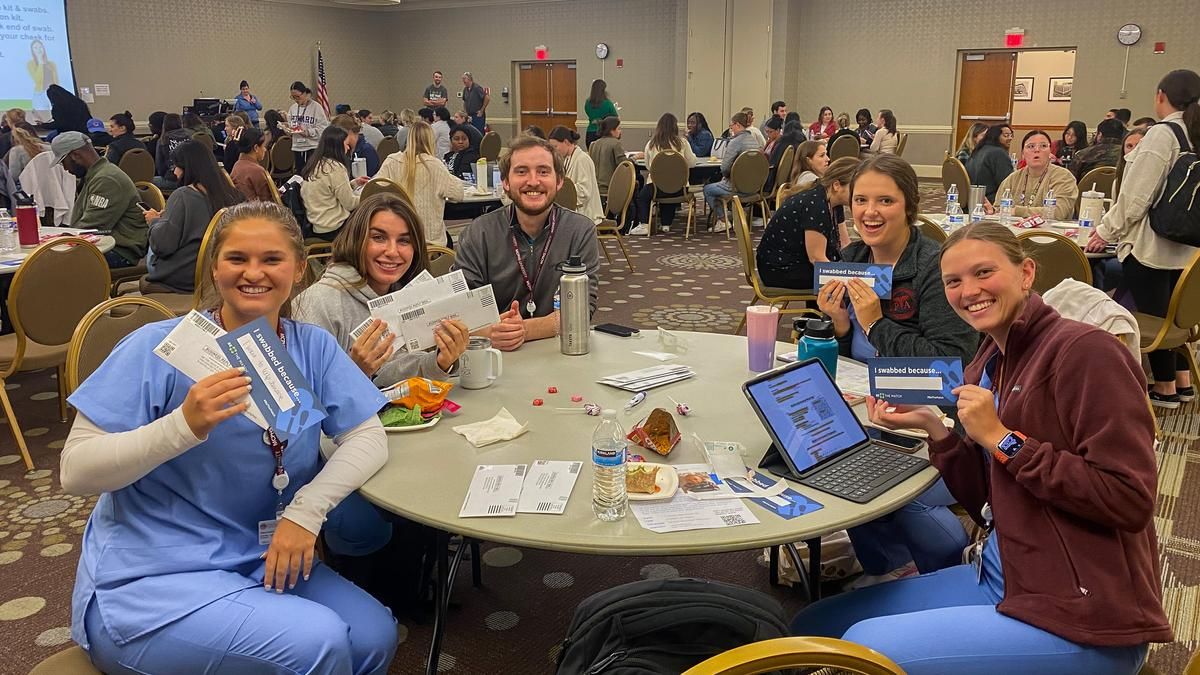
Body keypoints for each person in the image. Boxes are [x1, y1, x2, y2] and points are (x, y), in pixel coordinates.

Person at [795, 219, 1172, 674]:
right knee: (812, 627)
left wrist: (1002, 439)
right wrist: (936, 430)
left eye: (983, 273)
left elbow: (1129, 500)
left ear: (1026, 273)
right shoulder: (988, 361)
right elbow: (986, 504)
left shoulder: (1085, 352)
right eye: (953, 281)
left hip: (1084, 614)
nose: (968, 290)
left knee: (860, 648)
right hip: (1006, 571)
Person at [63, 200, 398, 674]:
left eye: (272, 259)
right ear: (216, 268)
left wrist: (306, 512)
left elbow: (368, 437)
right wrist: (183, 426)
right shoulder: (159, 347)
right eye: (237, 259)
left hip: (263, 557)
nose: (253, 273)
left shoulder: (311, 346)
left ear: (299, 269)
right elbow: (75, 472)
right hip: (154, 580)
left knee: (372, 637)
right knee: (317, 644)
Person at [1089, 69, 1200, 408]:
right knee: (1175, 315)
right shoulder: (1194, 133)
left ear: (1160, 96)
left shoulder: (1163, 134)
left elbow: (1136, 197)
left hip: (1152, 246)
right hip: (1188, 246)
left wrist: (1104, 232)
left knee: (1154, 316)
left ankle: (1164, 388)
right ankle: (1183, 382)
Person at [817, 153, 979, 363]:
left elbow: (950, 362)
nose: (870, 211)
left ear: (909, 206)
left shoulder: (938, 267)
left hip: (915, 395)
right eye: (860, 200)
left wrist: (876, 325)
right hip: (859, 390)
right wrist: (841, 326)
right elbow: (843, 364)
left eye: (885, 201)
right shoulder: (851, 259)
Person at [453, 136, 601, 351]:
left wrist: (525, 329)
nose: (533, 181)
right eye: (521, 171)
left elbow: (582, 310)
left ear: (559, 181)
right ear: (505, 182)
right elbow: (461, 309)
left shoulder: (580, 231)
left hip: (561, 349)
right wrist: (492, 332)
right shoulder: (479, 232)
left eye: (543, 171)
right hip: (495, 353)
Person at [143, 141, 246, 293]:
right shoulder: (234, 195)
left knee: (154, 242)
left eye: (176, 167)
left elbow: (163, 246)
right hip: (223, 273)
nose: (175, 173)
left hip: (185, 276)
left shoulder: (183, 195)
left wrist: (154, 222)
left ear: (187, 168)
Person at [756, 156, 857, 290]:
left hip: (797, 262)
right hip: (780, 269)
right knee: (852, 284)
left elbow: (845, 244)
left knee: (857, 278)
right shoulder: (815, 204)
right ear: (837, 185)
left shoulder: (832, 201)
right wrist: (852, 278)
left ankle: (818, 310)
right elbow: (816, 258)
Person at [52, 132, 147, 268]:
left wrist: (62, 238)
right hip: (109, 244)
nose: (65, 169)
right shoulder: (97, 174)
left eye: (63, 162)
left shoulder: (106, 180)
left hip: (120, 251)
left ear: (76, 155)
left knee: (48, 263)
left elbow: (90, 229)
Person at [374, 120, 464, 248]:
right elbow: (458, 194)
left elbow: (373, 188)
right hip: (430, 241)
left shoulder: (391, 161)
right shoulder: (435, 165)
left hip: (399, 237)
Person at [631, 113, 697, 235]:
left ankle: (644, 224)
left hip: (657, 187)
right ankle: (666, 224)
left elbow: (649, 166)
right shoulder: (682, 143)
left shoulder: (651, 144)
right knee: (671, 191)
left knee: (643, 196)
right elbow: (692, 163)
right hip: (680, 187)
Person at [992, 130, 1078, 221]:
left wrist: (1017, 211)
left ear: (1050, 153)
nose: (1037, 150)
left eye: (1043, 146)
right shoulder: (1012, 179)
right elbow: (998, 210)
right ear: (1023, 154)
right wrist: (991, 211)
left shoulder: (1064, 177)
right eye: (1031, 146)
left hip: (1050, 233)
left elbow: (1058, 212)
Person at [300, 126, 368, 240]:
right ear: (337, 146)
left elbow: (327, 191)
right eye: (346, 144)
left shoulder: (315, 164)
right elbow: (350, 203)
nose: (347, 148)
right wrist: (369, 195)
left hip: (317, 225)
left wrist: (354, 183)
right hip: (334, 227)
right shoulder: (335, 168)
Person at [703, 111, 763, 233]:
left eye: (731, 126)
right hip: (753, 187)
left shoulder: (735, 142)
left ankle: (723, 220)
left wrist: (726, 177)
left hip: (736, 187)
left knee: (707, 189)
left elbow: (724, 168)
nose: (731, 130)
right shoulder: (754, 141)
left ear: (737, 125)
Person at [545, 125, 603, 224]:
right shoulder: (567, 158)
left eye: (555, 146)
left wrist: (561, 192)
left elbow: (584, 191)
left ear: (566, 142)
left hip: (585, 211)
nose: (554, 151)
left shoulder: (582, 159)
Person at [965, 124, 1014, 203]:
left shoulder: (978, 150)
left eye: (1011, 135)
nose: (1010, 138)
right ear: (995, 136)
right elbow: (1007, 184)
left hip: (973, 198)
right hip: (990, 200)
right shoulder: (998, 153)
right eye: (1006, 135)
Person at [288, 81, 329, 170]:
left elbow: (323, 128)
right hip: (297, 146)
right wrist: (287, 129)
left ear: (305, 93)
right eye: (293, 97)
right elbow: (290, 124)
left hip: (312, 146)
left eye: (298, 97)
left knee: (310, 173)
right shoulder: (293, 108)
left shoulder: (316, 107)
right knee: (299, 173)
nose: (296, 100)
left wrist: (308, 132)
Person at [230, 128, 273, 203]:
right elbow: (268, 201)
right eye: (263, 146)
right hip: (257, 211)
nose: (265, 149)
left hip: (242, 209)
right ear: (256, 148)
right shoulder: (257, 171)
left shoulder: (237, 165)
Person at [588, 116, 625, 197]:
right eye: (618, 129)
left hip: (595, 188)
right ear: (612, 131)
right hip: (610, 188)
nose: (620, 131)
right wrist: (634, 158)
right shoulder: (616, 143)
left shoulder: (594, 144)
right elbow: (624, 165)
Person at [767, 121, 808, 192]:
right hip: (797, 181)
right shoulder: (803, 145)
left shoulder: (781, 144)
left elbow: (773, 163)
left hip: (775, 184)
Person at [154, 114, 192, 188]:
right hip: (191, 179)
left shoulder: (163, 140)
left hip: (173, 179)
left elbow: (160, 167)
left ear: (164, 125)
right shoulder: (190, 137)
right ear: (180, 123)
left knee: (147, 182)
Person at [583, 79, 618, 147]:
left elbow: (588, 113)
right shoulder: (607, 103)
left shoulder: (587, 103)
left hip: (590, 132)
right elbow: (615, 117)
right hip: (603, 133)